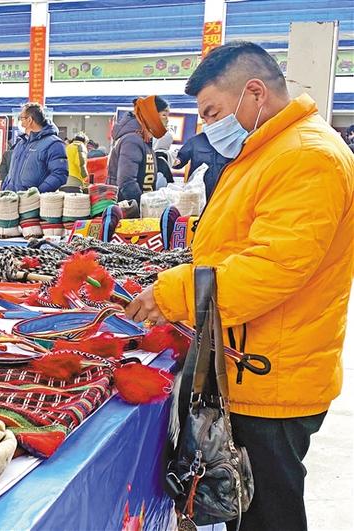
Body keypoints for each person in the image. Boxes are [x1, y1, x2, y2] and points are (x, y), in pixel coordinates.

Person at [125, 41, 354, 531]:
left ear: (254, 92)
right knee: (250, 508)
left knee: (268, 512)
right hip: (253, 361)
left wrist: (173, 294)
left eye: (212, 112)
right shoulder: (268, 151)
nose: (208, 126)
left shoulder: (306, 158)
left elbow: (272, 268)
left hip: (273, 375)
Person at [107, 96, 169, 206]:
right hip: (127, 210)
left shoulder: (144, 140)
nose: (167, 120)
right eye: (164, 115)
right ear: (152, 115)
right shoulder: (132, 140)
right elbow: (127, 182)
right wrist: (143, 207)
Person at [2, 102, 67, 192]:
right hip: (13, 198)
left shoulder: (54, 144)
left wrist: (36, 193)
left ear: (29, 120)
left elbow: (60, 174)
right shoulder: (21, 144)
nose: (20, 122)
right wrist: (4, 189)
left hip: (35, 200)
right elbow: (11, 173)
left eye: (21, 118)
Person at [174, 132, 231, 200]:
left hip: (224, 192)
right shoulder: (195, 141)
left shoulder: (232, 142)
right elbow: (180, 159)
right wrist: (175, 161)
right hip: (198, 193)